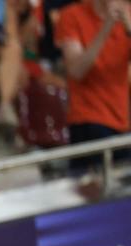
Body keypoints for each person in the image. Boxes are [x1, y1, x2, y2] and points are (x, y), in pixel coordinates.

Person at [55, 0, 131, 171]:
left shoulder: (128, 15)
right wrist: (106, 28)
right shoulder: (72, 15)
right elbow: (76, 70)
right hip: (87, 119)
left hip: (121, 122)